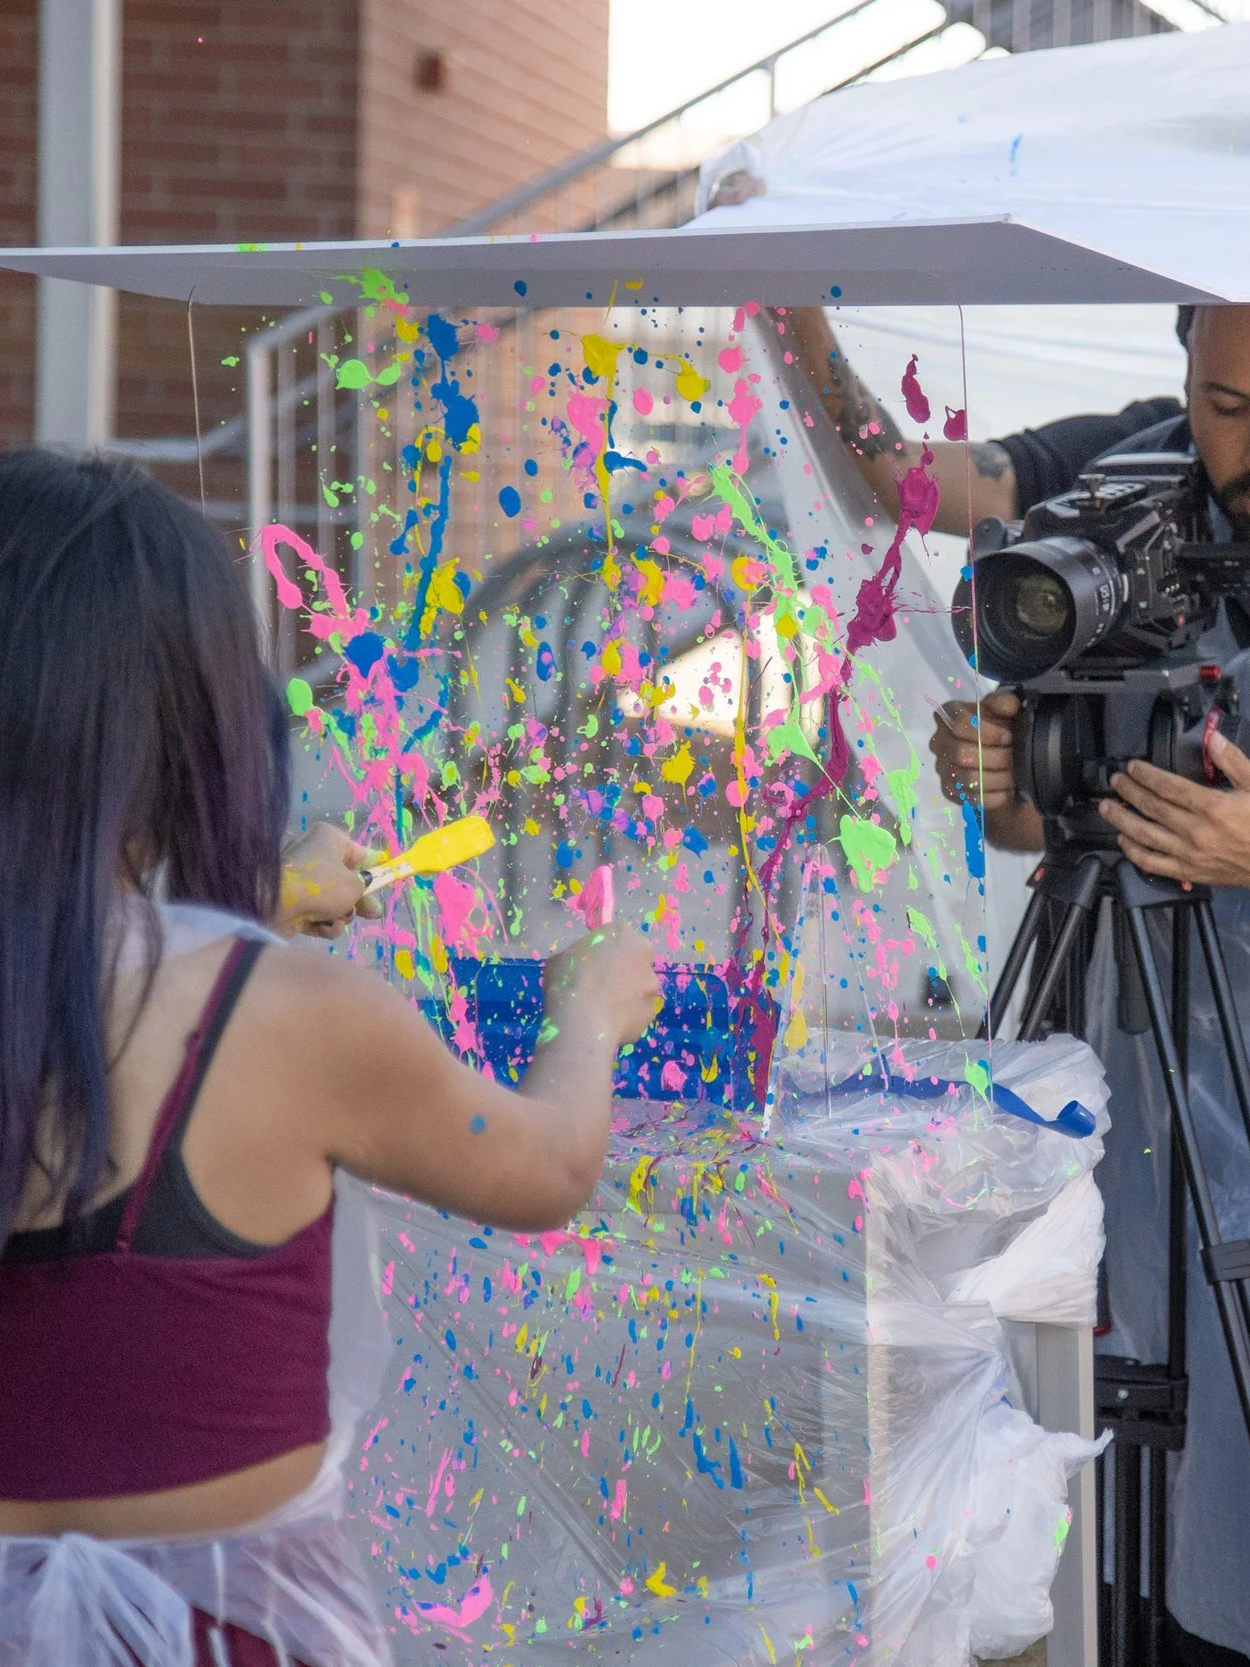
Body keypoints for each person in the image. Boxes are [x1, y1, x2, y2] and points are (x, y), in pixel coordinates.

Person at [0, 449, 661, 1667]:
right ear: (194, 723)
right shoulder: (286, 1016)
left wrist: (240, 911)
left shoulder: (264, 995)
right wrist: (591, 1009)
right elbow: (549, 1167)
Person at [783, 301, 1250, 1666]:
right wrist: (1017, 776)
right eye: (1220, 404)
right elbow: (922, 487)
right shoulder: (1130, 477)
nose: (1236, 448)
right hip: (1127, 1063)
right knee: (1073, 1474)